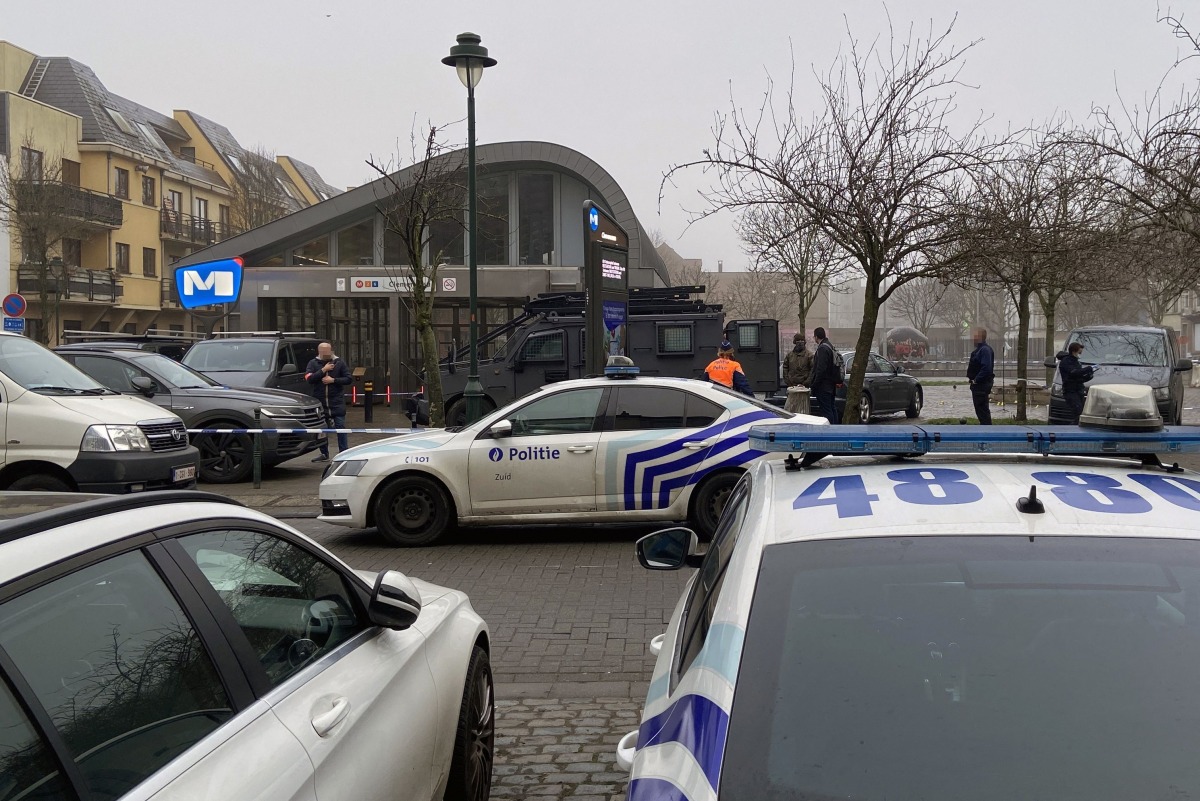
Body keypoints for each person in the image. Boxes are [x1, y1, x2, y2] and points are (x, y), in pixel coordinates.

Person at [306, 342, 353, 462]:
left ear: (331, 350)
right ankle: (324, 453)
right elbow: (309, 378)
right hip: (321, 402)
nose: (325, 353)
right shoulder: (312, 363)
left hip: (336, 402)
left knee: (340, 427)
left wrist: (333, 380)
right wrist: (323, 370)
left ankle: (344, 452)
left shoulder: (339, 363)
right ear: (319, 351)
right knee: (322, 430)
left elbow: (348, 379)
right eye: (323, 351)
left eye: (327, 350)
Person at [1058, 341, 1095, 424]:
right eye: (1079, 352)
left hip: (1079, 390)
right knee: (1078, 411)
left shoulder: (1076, 362)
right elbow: (1073, 373)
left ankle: (1076, 427)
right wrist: (1088, 368)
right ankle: (1074, 428)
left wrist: (1088, 377)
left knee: (1080, 412)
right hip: (1070, 391)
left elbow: (1078, 377)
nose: (1080, 354)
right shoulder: (1066, 361)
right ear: (1074, 351)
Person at [810, 327, 840, 425]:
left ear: (816, 337)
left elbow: (821, 369)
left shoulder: (822, 348)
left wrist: (814, 384)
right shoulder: (830, 346)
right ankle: (836, 429)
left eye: (814, 336)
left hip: (824, 386)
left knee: (826, 411)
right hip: (831, 384)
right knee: (832, 408)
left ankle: (830, 432)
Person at [967, 327, 995, 425]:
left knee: (982, 411)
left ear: (979, 337)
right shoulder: (980, 350)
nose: (972, 338)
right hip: (978, 386)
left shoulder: (984, 350)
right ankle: (985, 429)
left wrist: (976, 380)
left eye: (975, 336)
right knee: (980, 410)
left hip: (981, 386)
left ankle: (987, 432)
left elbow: (986, 368)